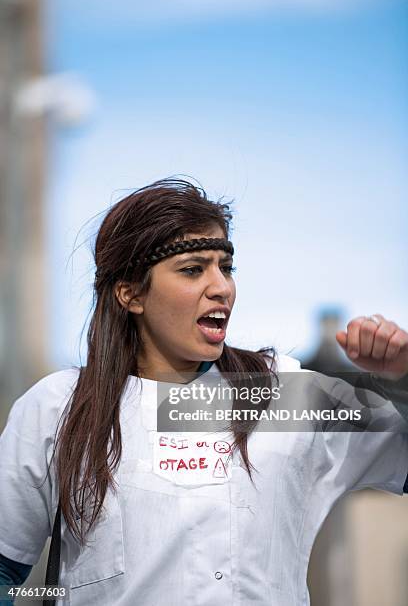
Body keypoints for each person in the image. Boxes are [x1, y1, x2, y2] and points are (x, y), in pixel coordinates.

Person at [0, 178, 407, 606]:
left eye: (225, 267)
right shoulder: (58, 406)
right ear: (131, 294)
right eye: (193, 269)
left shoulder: (284, 396)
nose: (221, 287)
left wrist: (402, 374)